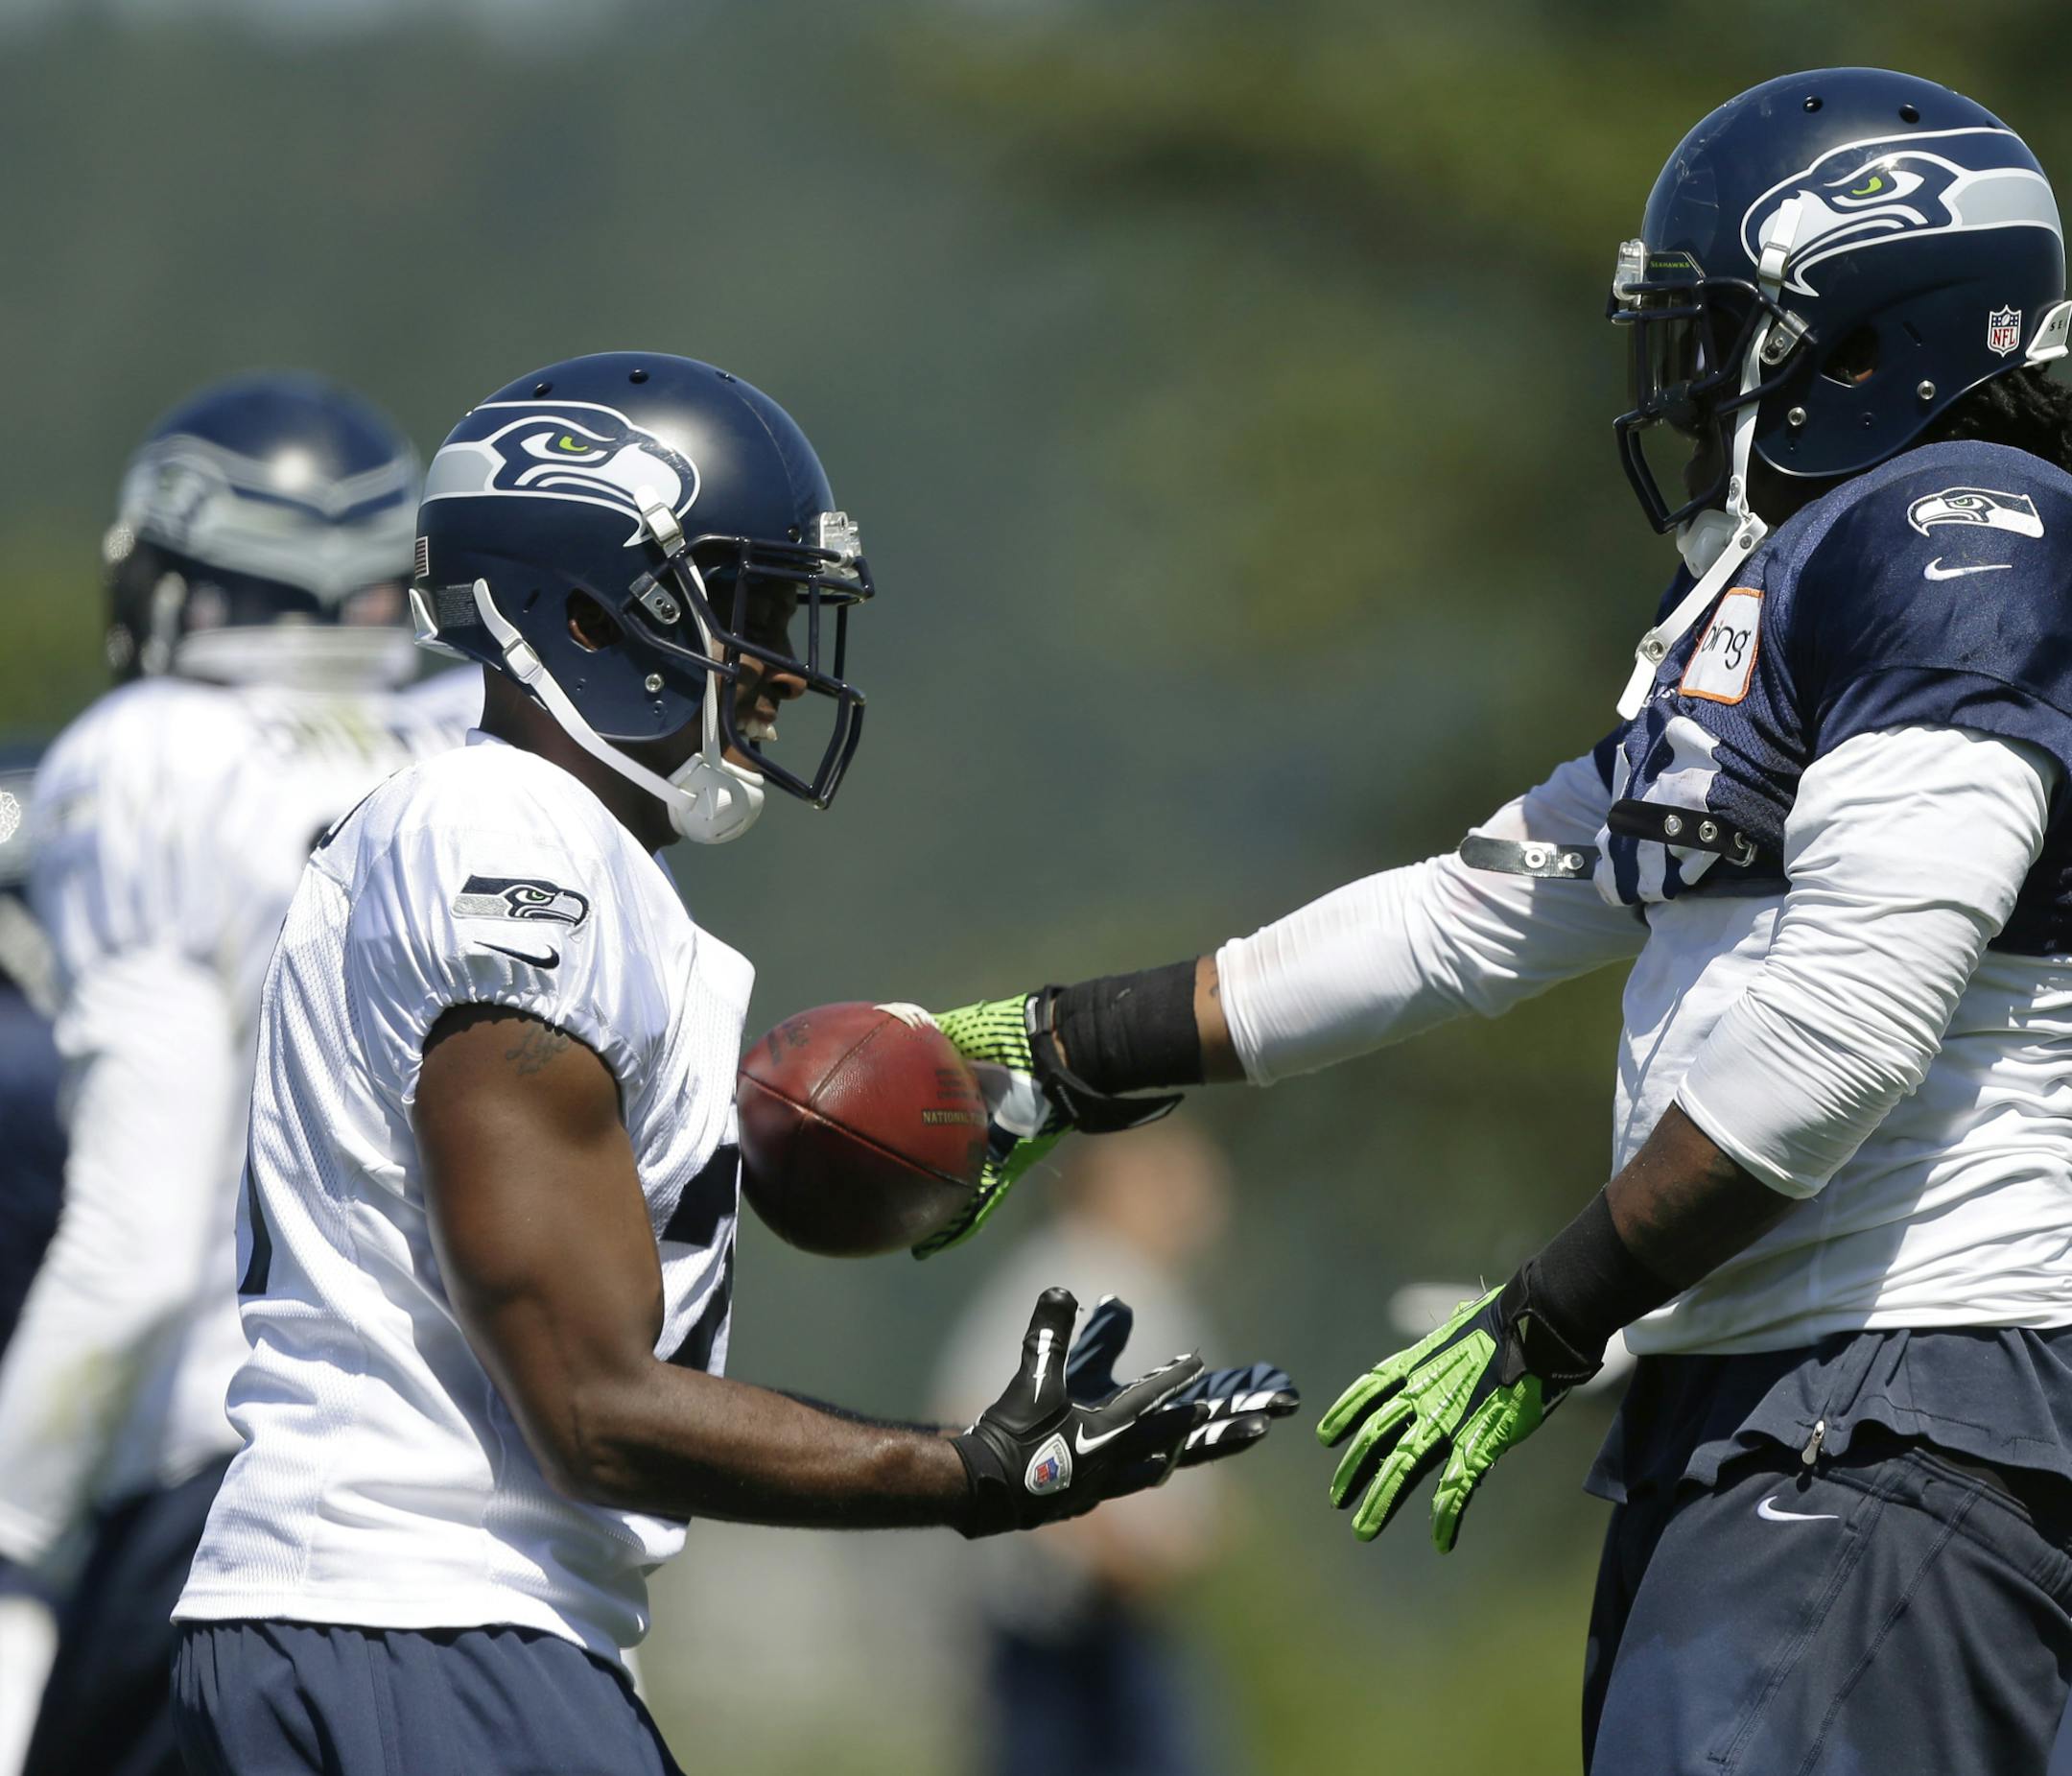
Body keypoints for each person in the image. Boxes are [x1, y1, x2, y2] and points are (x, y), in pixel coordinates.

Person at [918, 69, 2072, 1772]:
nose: (1679, 383)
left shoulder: (1961, 525)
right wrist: (1077, 1047)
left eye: (1718, 335)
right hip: (1791, 1394)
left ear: (1855, 344)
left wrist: (1550, 1311)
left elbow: (1853, 1019)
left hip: (1897, 1392)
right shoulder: (1807, 571)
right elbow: (1475, 906)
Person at [166, 352, 1296, 1776]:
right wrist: (975, 1470)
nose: (776, 669)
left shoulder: (562, 855)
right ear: (589, 611)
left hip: (413, 1620)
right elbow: (591, 1402)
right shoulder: (508, 838)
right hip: (422, 1615)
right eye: (744, 612)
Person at [0, 373, 481, 1776]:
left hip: (241, 1465)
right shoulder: (481, 747)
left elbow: (141, 1246)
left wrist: (13, 1518)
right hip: (487, 1490)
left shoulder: (154, 758)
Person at [935, 1122, 1263, 1776]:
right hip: (1062, 1637)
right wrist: (1101, 1537)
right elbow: (971, 1426)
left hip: (1122, 1628)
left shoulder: (1140, 1287)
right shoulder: (1072, 1279)